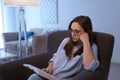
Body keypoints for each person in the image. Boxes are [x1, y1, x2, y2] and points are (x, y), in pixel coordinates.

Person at [27, 15, 100, 80]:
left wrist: (86, 42)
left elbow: (90, 67)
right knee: (33, 77)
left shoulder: (91, 47)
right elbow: (56, 56)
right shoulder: (66, 41)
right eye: (71, 30)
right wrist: (50, 65)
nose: (73, 34)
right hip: (50, 75)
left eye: (77, 31)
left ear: (86, 33)